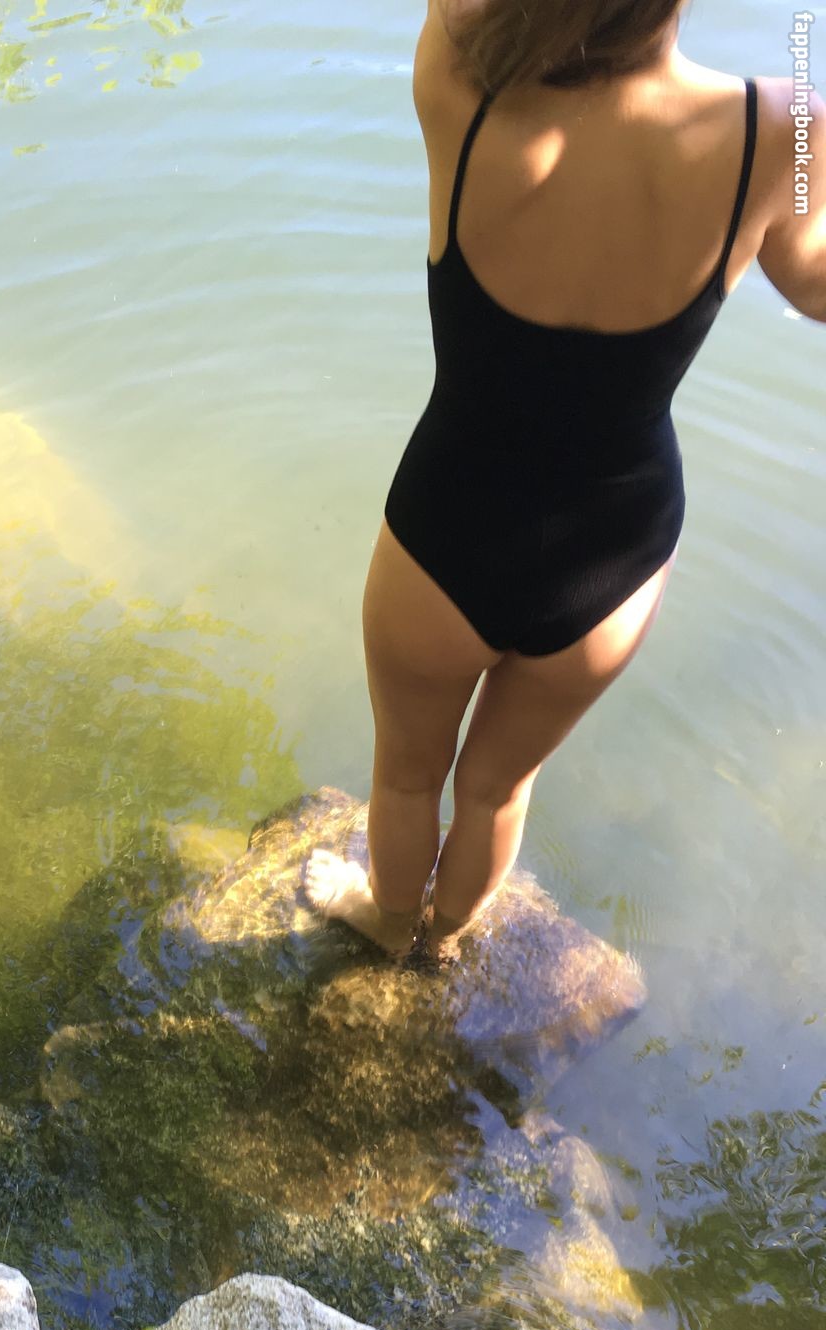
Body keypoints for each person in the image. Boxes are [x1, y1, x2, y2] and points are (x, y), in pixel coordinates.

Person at [306, 0, 826, 958]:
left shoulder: (458, 58)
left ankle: (385, 924)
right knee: (499, 790)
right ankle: (445, 947)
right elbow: (816, 284)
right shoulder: (783, 126)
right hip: (614, 557)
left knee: (407, 775)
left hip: (447, 524)